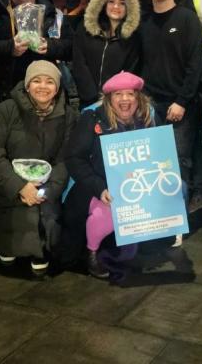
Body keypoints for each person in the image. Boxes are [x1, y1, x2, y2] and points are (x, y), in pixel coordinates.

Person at [0, 61, 76, 277]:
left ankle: (40, 249)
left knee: (46, 214)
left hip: (45, 183)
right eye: (36, 81)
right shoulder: (7, 109)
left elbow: (65, 159)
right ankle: (7, 245)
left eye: (50, 81)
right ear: (27, 85)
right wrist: (19, 186)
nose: (43, 86)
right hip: (10, 181)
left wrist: (47, 191)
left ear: (58, 87)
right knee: (9, 216)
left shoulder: (68, 116)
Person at [61, 71, 156, 279]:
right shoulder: (92, 118)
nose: (124, 99)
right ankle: (91, 251)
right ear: (109, 99)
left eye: (130, 94)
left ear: (138, 97)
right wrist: (99, 187)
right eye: (118, 94)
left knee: (180, 189)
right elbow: (74, 158)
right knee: (109, 214)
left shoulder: (146, 118)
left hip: (134, 185)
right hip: (97, 186)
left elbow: (154, 154)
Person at [135, 0, 202, 211]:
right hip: (149, 105)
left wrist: (182, 101)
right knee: (152, 163)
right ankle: (156, 216)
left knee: (177, 163)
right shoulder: (142, 22)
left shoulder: (187, 20)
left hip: (180, 107)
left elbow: (195, 64)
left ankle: (175, 219)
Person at [71, 0, 141, 107]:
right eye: (111, 1)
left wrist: (111, 96)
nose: (116, 7)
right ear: (103, 3)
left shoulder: (132, 37)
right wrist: (90, 95)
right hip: (87, 100)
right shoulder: (86, 28)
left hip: (116, 103)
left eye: (122, 3)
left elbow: (130, 71)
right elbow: (79, 63)